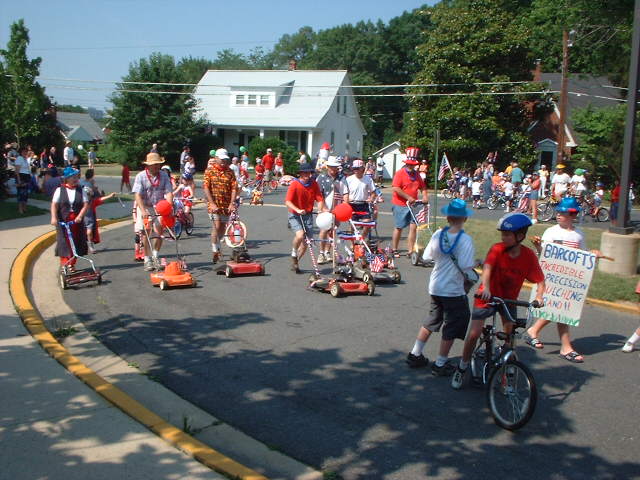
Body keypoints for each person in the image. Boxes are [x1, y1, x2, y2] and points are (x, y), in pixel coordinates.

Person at [451, 213, 546, 389]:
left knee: (510, 337)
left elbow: (540, 280)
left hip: (509, 300)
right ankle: (462, 367)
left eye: (507, 234)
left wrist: (540, 296)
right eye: (503, 234)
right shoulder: (497, 249)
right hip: (487, 296)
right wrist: (485, 287)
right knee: (473, 334)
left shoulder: (528, 256)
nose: (503, 237)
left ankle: (507, 373)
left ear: (520, 236)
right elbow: (487, 267)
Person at [405, 199, 476, 375]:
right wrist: (478, 262)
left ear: (448, 218)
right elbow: (467, 266)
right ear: (464, 218)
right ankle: (441, 363)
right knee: (452, 325)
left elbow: (428, 256)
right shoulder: (465, 239)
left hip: (436, 285)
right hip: (453, 288)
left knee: (432, 319)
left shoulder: (438, 234)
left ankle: (415, 353)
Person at [527, 197, 601, 363]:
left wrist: (593, 255)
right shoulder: (551, 232)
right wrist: (538, 246)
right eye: (558, 212)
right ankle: (565, 347)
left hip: (570, 280)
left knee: (561, 309)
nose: (559, 215)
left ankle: (534, 330)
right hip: (552, 278)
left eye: (563, 212)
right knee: (560, 310)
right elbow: (543, 254)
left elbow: (583, 256)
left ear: (573, 214)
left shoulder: (579, 235)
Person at [132, 152, 174, 271]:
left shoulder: (164, 175)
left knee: (159, 231)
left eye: (158, 164)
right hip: (145, 205)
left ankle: (155, 255)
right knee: (146, 231)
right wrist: (144, 210)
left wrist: (169, 207)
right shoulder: (141, 176)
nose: (156, 167)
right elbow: (137, 195)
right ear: (148, 165)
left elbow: (169, 192)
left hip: (160, 205)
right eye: (154, 164)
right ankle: (147, 259)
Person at [285, 162, 327, 273]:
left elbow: (320, 199)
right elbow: (288, 202)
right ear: (300, 174)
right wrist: (298, 209)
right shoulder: (295, 184)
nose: (307, 175)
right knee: (300, 235)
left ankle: (296, 262)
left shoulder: (313, 184)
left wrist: (320, 210)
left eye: (309, 173)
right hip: (295, 214)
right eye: (304, 173)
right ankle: (294, 253)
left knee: (306, 243)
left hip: (307, 215)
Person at [390, 149, 429, 257]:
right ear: (406, 164)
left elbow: (423, 187)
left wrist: (425, 196)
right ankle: (394, 249)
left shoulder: (417, 175)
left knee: (413, 227)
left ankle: (410, 250)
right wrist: (407, 197)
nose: (411, 166)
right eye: (409, 164)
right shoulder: (400, 173)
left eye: (413, 165)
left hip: (414, 205)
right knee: (399, 226)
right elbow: (396, 188)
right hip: (400, 204)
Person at [51, 166, 90, 271]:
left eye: (76, 176)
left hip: (76, 220)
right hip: (63, 220)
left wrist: (80, 216)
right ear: (67, 178)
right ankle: (66, 263)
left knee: (76, 241)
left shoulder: (81, 190)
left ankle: (72, 263)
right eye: (73, 177)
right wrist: (54, 218)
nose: (75, 179)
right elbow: (54, 205)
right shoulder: (59, 190)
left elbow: (86, 204)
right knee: (64, 242)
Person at [203, 148, 237, 264]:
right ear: (216, 159)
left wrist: (232, 203)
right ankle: (215, 250)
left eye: (225, 160)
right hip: (214, 204)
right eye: (221, 159)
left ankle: (217, 247)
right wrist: (211, 203)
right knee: (216, 226)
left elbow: (234, 188)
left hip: (226, 204)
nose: (223, 162)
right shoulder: (209, 171)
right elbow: (206, 187)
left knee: (222, 227)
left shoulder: (230, 171)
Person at [316, 156, 349, 264]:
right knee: (324, 229)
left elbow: (345, 193)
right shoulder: (321, 177)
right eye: (331, 167)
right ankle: (321, 253)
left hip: (337, 209)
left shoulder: (342, 178)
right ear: (327, 166)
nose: (333, 169)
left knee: (333, 230)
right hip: (325, 208)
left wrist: (345, 206)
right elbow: (318, 194)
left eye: (335, 167)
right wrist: (323, 207)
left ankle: (327, 252)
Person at [81, 169, 116, 254]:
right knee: (89, 228)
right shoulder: (91, 202)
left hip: (78, 212)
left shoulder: (81, 183)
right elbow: (99, 198)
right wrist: (109, 196)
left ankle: (83, 245)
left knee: (81, 229)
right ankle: (90, 246)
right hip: (88, 212)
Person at [346, 159, 376, 240]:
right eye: (354, 168)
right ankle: (352, 244)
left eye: (357, 168)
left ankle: (361, 240)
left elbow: (373, 192)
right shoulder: (349, 179)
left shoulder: (368, 179)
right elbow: (344, 192)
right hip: (352, 204)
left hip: (363, 204)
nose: (355, 170)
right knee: (352, 225)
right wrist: (347, 199)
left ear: (362, 168)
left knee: (368, 223)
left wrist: (371, 199)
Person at [14, 146, 31, 214]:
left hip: (26, 177)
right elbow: (17, 171)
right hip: (21, 177)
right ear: (21, 152)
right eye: (24, 151)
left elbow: (27, 169)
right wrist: (19, 180)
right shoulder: (19, 158)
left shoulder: (25, 159)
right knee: (21, 194)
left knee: (25, 194)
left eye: (26, 151)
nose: (25, 152)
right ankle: (20, 209)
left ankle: (24, 208)